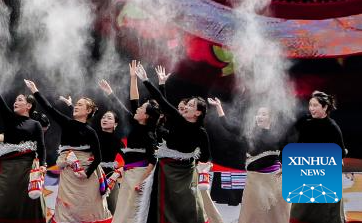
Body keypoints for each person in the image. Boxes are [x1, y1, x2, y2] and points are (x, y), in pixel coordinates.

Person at [25, 77, 109, 223]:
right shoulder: (67, 123)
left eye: (80, 105)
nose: (76, 106)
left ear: (88, 110)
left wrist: (86, 173)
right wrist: (35, 90)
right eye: (76, 104)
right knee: (66, 212)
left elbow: (98, 158)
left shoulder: (91, 132)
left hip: (87, 176)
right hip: (69, 176)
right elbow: (50, 109)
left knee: (89, 210)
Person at [134, 63, 210, 223]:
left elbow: (205, 157)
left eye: (190, 106)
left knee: (186, 207)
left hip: (184, 174)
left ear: (198, 113)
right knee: (163, 206)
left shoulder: (199, 132)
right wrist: (152, 82)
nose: (186, 107)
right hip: (167, 170)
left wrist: (194, 164)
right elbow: (163, 103)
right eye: (186, 105)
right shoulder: (180, 121)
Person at [0, 62, 46, 223]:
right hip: (7, 169)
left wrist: (42, 165)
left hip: (27, 169)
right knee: (1, 204)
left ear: (29, 106)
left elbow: (41, 147)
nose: (15, 102)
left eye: (20, 100)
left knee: (27, 207)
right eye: (15, 100)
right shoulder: (10, 119)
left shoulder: (35, 124)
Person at [97, 61, 159, 223]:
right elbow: (132, 102)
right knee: (122, 213)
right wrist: (132, 79)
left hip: (138, 175)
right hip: (128, 174)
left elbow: (153, 160)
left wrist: (142, 181)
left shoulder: (149, 134)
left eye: (141, 108)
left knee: (132, 214)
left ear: (146, 116)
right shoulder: (136, 124)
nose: (137, 109)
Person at [209, 100, 289, 223]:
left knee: (275, 213)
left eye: (263, 114)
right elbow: (228, 125)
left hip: (274, 179)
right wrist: (219, 106)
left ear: (271, 118)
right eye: (258, 114)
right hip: (254, 180)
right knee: (253, 213)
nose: (259, 116)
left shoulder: (277, 135)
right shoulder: (249, 132)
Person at [290, 91, 348, 223]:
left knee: (327, 214)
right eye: (310, 105)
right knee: (302, 213)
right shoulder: (306, 124)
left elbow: (340, 153)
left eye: (315, 105)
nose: (311, 108)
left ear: (325, 107)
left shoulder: (332, 127)